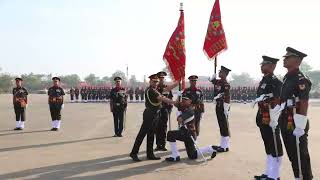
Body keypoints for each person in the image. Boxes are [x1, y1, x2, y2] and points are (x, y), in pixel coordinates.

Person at [280, 47, 313, 180]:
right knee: (293, 155)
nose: (285, 59)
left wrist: (300, 125)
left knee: (301, 155)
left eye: (288, 57)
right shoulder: (287, 77)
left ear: (297, 61)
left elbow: (304, 102)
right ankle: (297, 177)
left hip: (296, 121)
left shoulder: (301, 79)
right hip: (286, 118)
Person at [129, 74, 179, 162]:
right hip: (149, 114)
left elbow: (166, 89)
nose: (156, 83)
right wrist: (173, 102)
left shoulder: (155, 89)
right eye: (154, 81)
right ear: (150, 82)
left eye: (157, 81)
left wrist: (177, 83)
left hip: (156, 114)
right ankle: (134, 153)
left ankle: (150, 154)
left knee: (151, 134)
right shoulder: (150, 90)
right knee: (142, 134)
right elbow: (161, 98)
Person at [253, 56, 283, 180]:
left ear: (272, 66)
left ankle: (275, 175)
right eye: (261, 64)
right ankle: (268, 173)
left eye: (264, 64)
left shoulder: (276, 82)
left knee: (275, 145)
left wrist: (274, 119)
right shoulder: (264, 80)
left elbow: (277, 101)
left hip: (271, 118)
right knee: (268, 145)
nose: (261, 66)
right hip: (263, 116)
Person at [165, 94, 217, 162]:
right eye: (182, 99)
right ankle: (211, 148)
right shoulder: (184, 106)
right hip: (186, 133)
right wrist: (178, 95)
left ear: (190, 101)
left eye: (185, 100)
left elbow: (180, 120)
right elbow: (175, 103)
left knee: (170, 134)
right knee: (192, 155)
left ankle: (175, 156)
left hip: (189, 133)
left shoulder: (190, 109)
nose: (183, 101)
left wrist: (179, 116)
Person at [209, 66, 231, 152]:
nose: (219, 73)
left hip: (223, 106)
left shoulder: (226, 84)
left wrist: (226, 107)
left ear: (225, 74)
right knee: (221, 124)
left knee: (224, 125)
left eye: (221, 72)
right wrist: (212, 78)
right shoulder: (219, 82)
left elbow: (227, 96)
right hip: (218, 105)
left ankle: (225, 146)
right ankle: (223, 145)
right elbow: (213, 81)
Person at [155, 71, 174, 151]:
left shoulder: (167, 87)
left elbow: (170, 98)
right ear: (158, 79)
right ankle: (158, 145)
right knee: (157, 128)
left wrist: (170, 108)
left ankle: (163, 145)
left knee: (164, 127)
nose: (161, 79)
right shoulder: (155, 88)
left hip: (165, 110)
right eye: (160, 78)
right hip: (157, 110)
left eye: (163, 78)